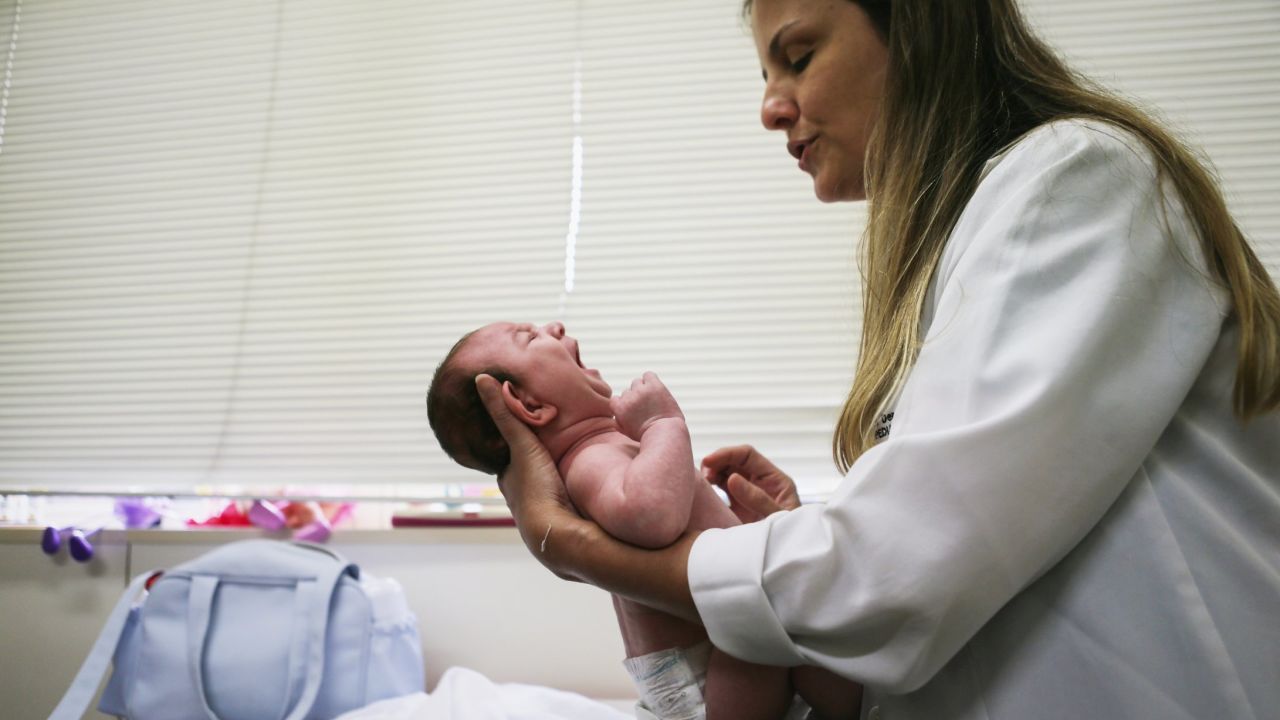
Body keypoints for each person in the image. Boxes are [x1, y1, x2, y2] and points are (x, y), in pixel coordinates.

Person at [471, 0, 1280, 718]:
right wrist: (818, 525)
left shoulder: (1077, 181)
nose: (769, 107)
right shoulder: (961, 244)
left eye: (798, 56)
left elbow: (904, 568)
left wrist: (572, 547)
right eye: (765, 71)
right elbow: (940, 534)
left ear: (919, 26)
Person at [426, 321, 863, 720]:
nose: (554, 327)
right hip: (709, 673)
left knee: (797, 637)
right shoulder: (588, 459)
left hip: (724, 651)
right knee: (769, 638)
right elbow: (651, 518)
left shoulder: (605, 448)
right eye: (530, 337)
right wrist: (662, 423)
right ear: (529, 405)